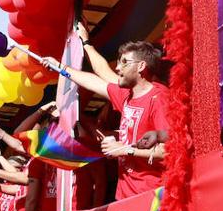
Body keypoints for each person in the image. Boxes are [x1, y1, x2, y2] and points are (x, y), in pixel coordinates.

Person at [41, 29, 170, 200]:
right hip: (125, 195)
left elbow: (168, 151)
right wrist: (62, 66)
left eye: (124, 62)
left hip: (151, 194)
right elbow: (97, 77)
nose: (117, 68)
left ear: (141, 66)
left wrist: (124, 149)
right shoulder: (126, 95)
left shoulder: (160, 99)